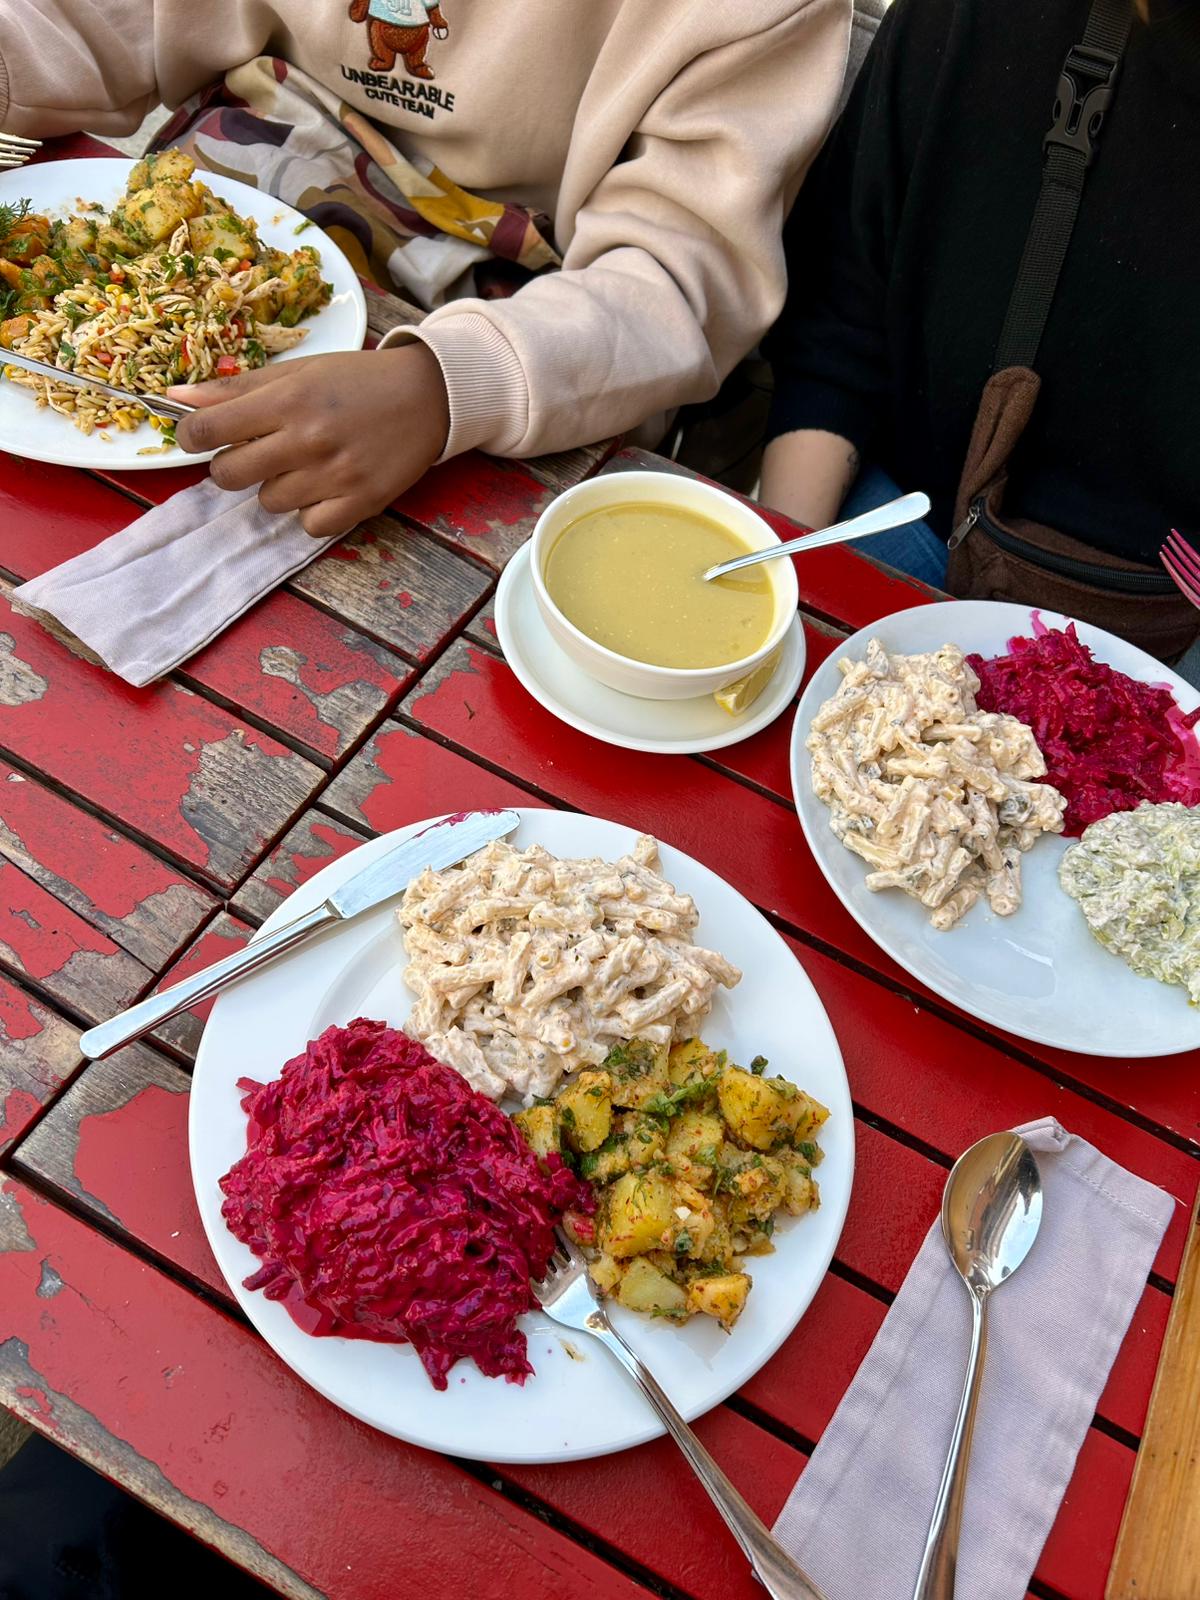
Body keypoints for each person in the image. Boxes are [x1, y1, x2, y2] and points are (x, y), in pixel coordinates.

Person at [0, 0, 850, 537]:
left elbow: (681, 278)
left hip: (528, 349)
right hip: (208, 231)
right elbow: (80, 21)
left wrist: (447, 386)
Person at [759, 0, 1200, 661]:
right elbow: (838, 331)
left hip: (1170, 625)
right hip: (908, 517)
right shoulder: (975, 17)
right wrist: (785, 596)